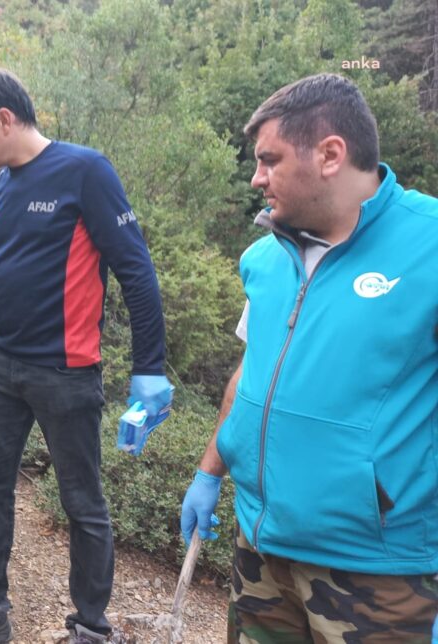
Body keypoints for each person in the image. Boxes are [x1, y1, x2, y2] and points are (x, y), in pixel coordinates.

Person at [180, 73, 438, 643]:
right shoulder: (264, 257)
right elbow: (250, 374)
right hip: (260, 549)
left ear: (329, 154)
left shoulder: (430, 247)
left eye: (269, 160)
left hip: (377, 574)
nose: (256, 178)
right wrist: (209, 470)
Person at [0, 67, 172, 644]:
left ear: (5, 119)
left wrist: (149, 369)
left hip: (66, 369)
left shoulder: (84, 171)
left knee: (81, 502)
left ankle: (90, 629)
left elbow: (136, 271)